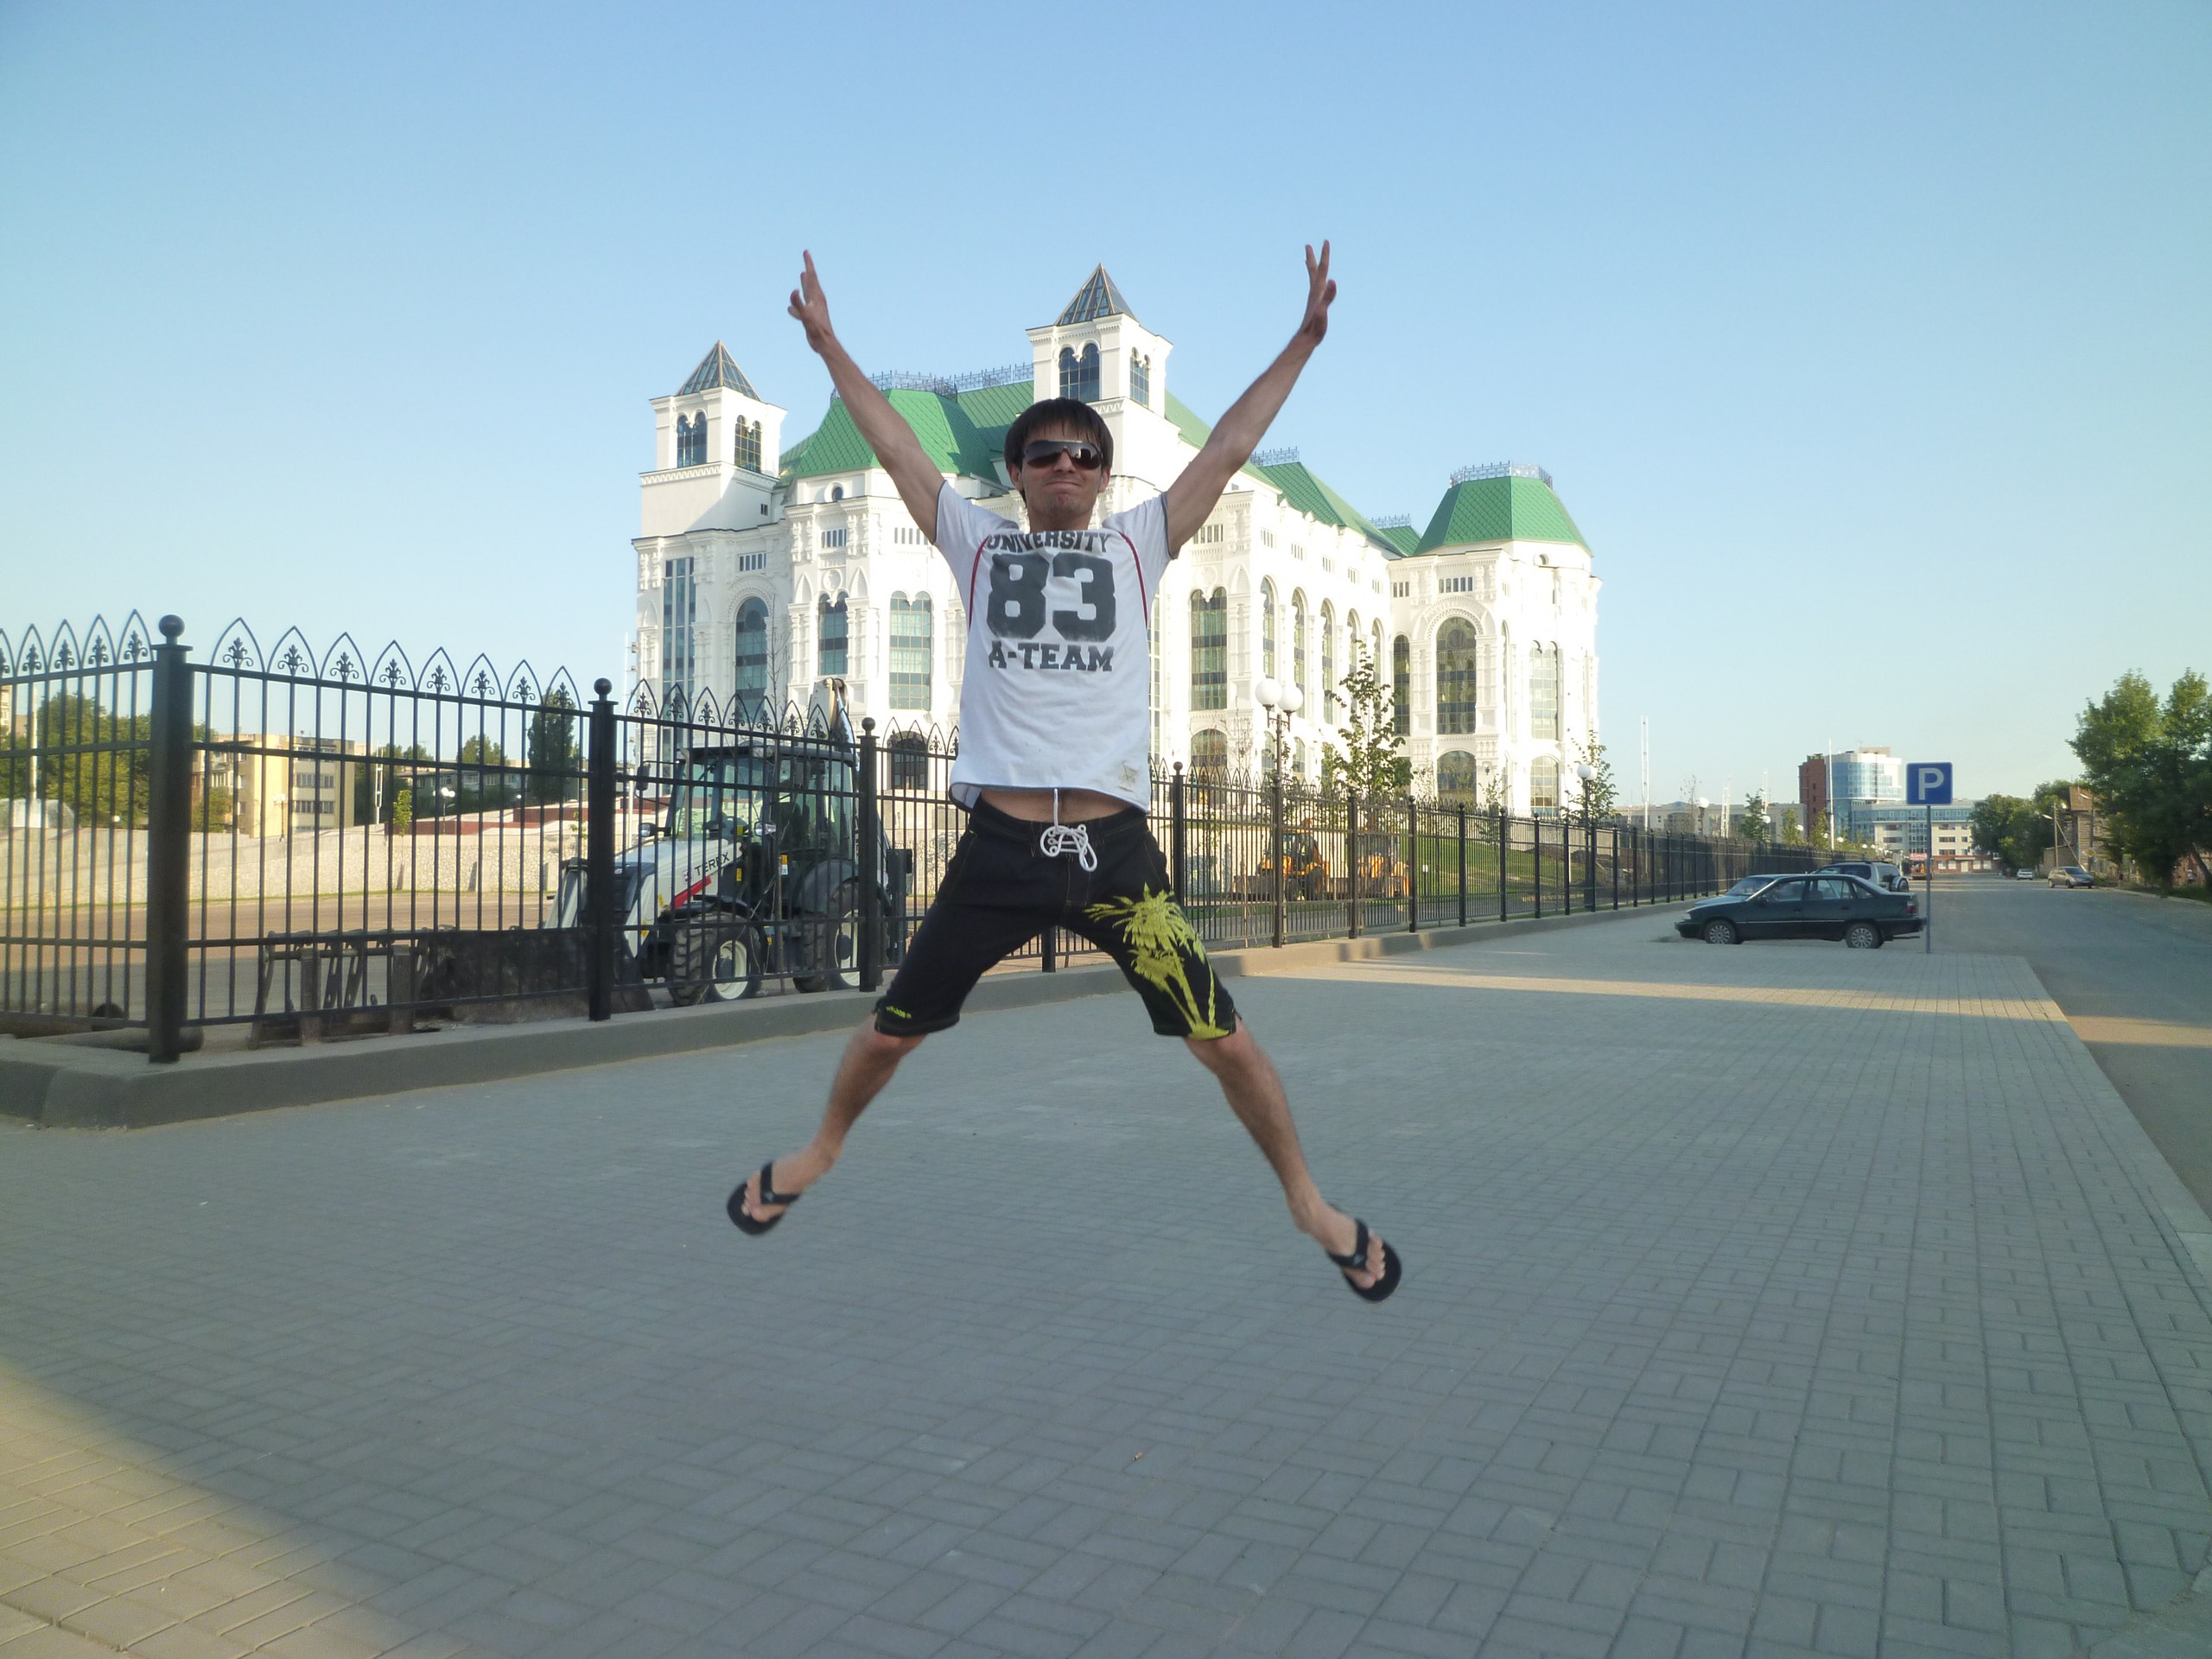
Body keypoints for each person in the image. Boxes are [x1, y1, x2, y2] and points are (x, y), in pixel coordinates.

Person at [728, 245, 1400, 1301]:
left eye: (1085, 455)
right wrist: (826, 345)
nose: (1066, 467)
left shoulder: (1138, 545)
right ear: (1018, 472)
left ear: (1102, 475)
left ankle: (1308, 1203)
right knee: (891, 1031)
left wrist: (1303, 341)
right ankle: (818, 1151)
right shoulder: (976, 544)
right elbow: (896, 444)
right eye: (1045, 454)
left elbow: (1229, 444)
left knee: (1224, 1043)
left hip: (1114, 860)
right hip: (998, 853)